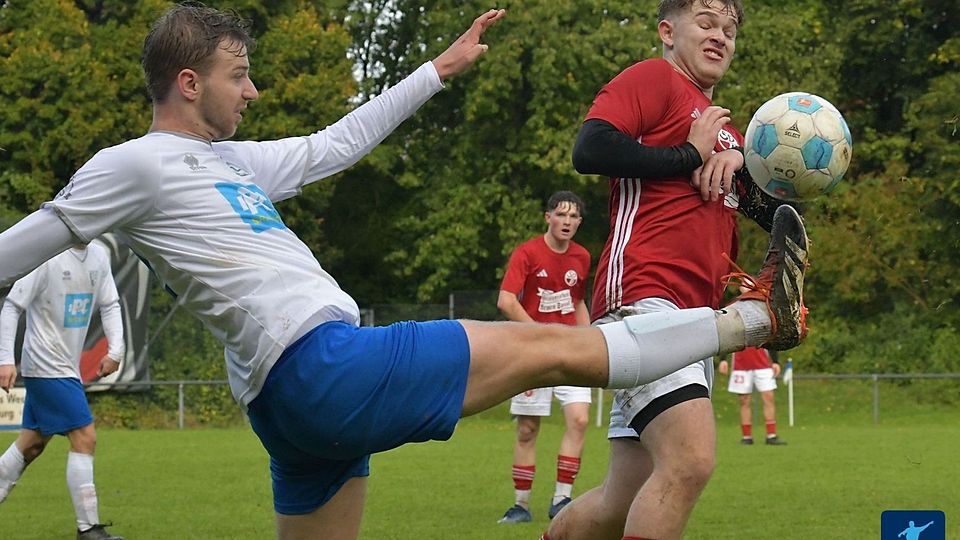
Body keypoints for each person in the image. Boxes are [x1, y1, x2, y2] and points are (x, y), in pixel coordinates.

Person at [0, 4, 808, 539]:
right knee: (558, 348)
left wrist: (437, 71)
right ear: (189, 82)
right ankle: (756, 319)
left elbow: (334, 145)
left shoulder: (228, 160)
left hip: (290, 408)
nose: (252, 88)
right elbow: (21, 247)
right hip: (324, 368)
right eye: (237, 74)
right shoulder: (132, 164)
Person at [544, 1, 806, 539]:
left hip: (699, 323)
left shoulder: (729, 134)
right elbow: (589, 148)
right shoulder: (655, 79)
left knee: (621, 499)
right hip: (645, 297)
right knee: (689, 461)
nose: (720, 37)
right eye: (706, 24)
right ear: (668, 31)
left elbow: (772, 215)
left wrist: (747, 172)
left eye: (730, 30)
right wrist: (689, 153)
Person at [0, 242, 125, 540]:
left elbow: (110, 304)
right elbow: (12, 306)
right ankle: (88, 528)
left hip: (66, 368)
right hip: (45, 365)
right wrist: (5, 359)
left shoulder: (98, 256)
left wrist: (116, 350)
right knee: (85, 437)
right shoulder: (45, 255)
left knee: (30, 445)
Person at [497, 191, 593, 524]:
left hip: (571, 350)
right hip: (534, 351)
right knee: (527, 429)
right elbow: (507, 301)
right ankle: (520, 505)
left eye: (573, 217)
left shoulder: (582, 257)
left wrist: (591, 340)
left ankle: (562, 499)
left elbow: (577, 301)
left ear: (579, 222)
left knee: (580, 420)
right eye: (561, 215)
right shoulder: (527, 253)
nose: (567, 222)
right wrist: (539, 333)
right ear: (548, 217)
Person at [718, 346, 787, 445]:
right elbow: (729, 336)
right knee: (744, 400)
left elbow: (770, 338)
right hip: (741, 364)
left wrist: (775, 361)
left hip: (763, 363)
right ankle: (747, 437)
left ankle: (771, 435)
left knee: (769, 397)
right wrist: (723, 359)